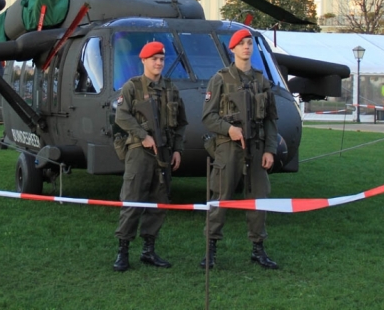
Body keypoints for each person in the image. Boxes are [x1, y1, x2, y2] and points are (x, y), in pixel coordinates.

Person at [200, 28, 280, 270]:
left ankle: (258, 249)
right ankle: (210, 250)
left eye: (249, 43)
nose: (247, 47)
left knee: (259, 200)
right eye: (241, 44)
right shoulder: (220, 79)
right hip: (228, 149)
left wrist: (270, 150)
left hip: (256, 150)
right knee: (220, 199)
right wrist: (229, 129)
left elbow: (270, 120)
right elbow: (208, 117)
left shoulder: (261, 80)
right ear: (232, 49)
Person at [112, 41, 187, 272]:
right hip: (139, 153)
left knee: (159, 202)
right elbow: (121, 116)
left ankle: (148, 250)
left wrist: (177, 149)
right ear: (143, 60)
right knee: (133, 200)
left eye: (162, 59)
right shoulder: (132, 87)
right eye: (154, 59)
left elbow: (182, 123)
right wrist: (143, 135)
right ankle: (123, 251)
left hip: (164, 154)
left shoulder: (171, 89)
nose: (158, 63)